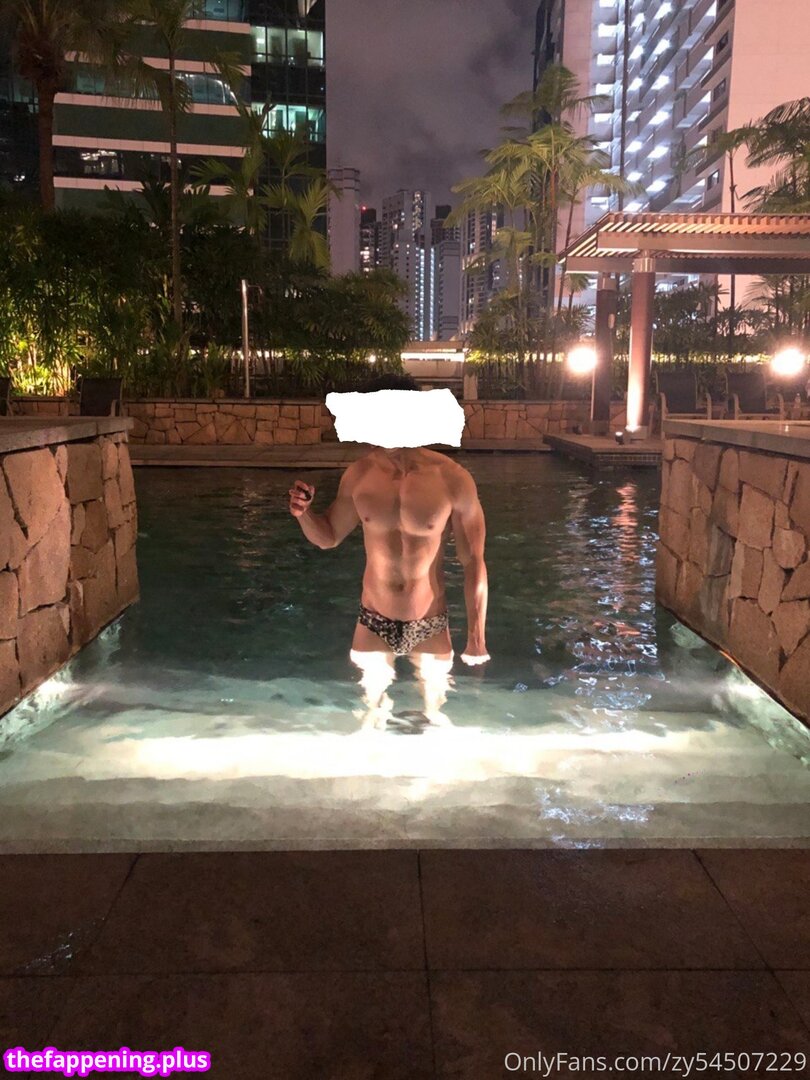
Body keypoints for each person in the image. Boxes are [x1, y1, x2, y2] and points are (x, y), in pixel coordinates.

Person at [289, 373, 489, 729]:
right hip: (373, 621)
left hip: (430, 623)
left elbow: (473, 561)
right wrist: (304, 514)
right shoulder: (359, 475)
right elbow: (327, 537)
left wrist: (477, 638)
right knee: (369, 719)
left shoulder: (452, 478)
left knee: (435, 718)